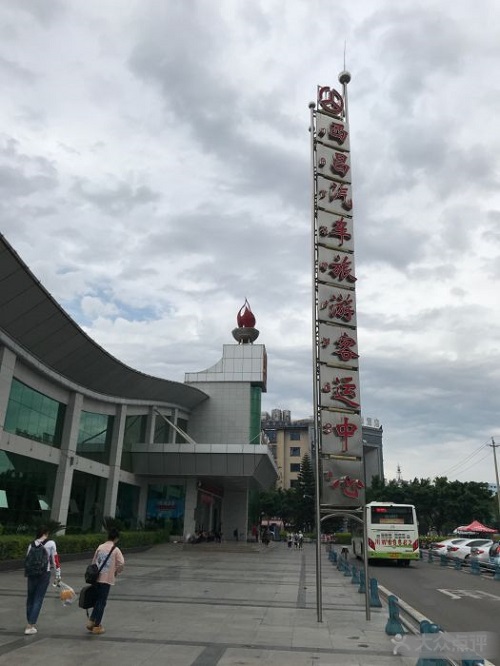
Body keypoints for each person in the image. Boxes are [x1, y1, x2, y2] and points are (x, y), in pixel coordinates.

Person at [87, 527, 125, 635]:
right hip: (107, 579)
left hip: (96, 578)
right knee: (101, 602)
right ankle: (97, 625)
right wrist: (116, 571)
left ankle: (91, 621)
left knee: (97, 601)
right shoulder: (115, 550)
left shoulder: (100, 547)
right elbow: (121, 563)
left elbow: (94, 562)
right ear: (116, 538)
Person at [24, 525, 61, 635]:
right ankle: (30, 625)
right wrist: (58, 574)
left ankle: (29, 620)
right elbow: (55, 559)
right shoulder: (51, 543)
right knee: (38, 598)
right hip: (44, 573)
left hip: (31, 574)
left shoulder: (31, 544)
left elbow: (27, 560)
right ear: (46, 533)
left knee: (30, 597)